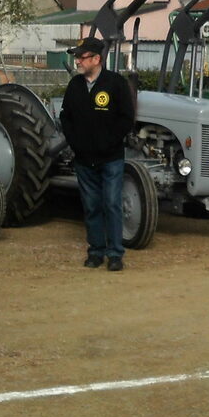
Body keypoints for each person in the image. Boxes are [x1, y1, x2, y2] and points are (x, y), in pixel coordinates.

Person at [59, 37, 135, 272]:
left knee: (111, 204)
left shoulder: (116, 84)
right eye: (77, 57)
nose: (77, 62)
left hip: (111, 159)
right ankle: (95, 252)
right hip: (84, 160)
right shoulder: (75, 86)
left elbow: (126, 118)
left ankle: (115, 255)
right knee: (91, 206)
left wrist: (108, 143)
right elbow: (65, 117)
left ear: (96, 59)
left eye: (81, 57)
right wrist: (76, 143)